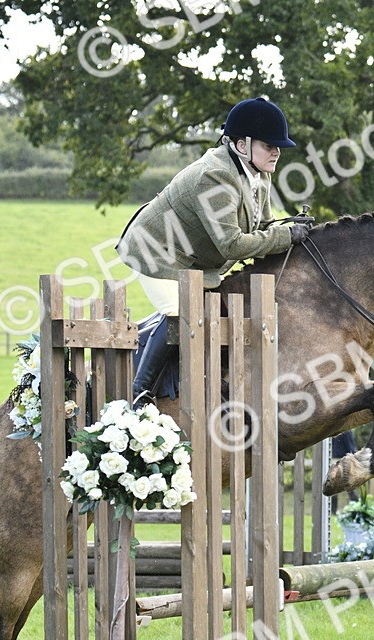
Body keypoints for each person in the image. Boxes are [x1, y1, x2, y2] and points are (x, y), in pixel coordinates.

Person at [116, 97, 304, 407]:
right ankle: (140, 392)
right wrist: (284, 237)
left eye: (277, 146)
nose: (277, 151)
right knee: (179, 314)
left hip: (194, 261)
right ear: (241, 145)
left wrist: (290, 227)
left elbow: (264, 226)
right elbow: (233, 245)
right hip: (155, 252)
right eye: (269, 145)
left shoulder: (258, 173)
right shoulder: (214, 176)